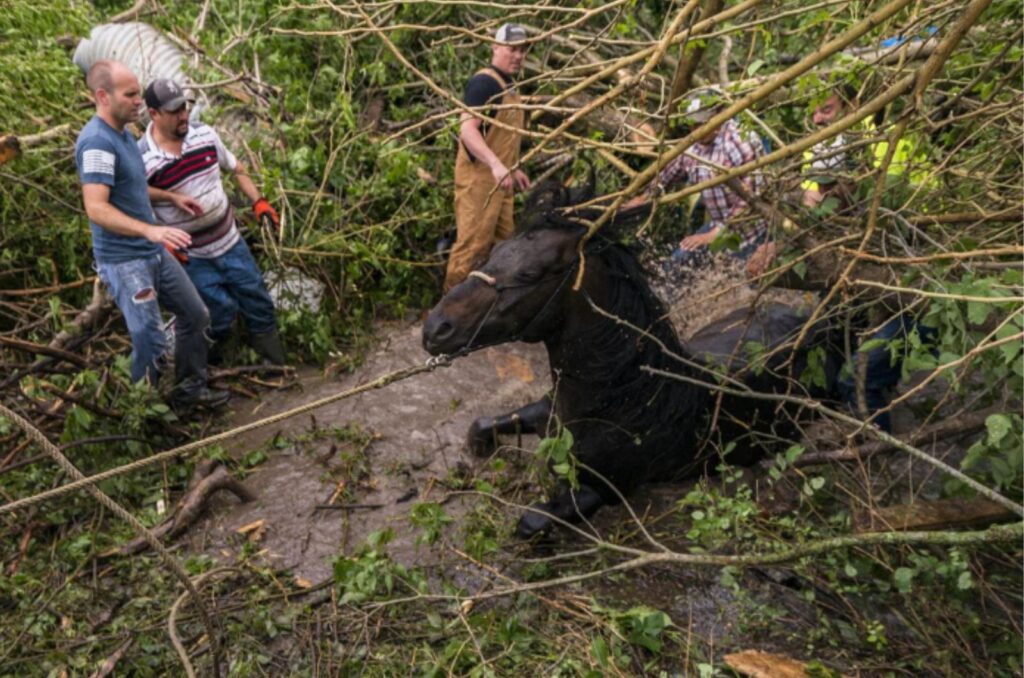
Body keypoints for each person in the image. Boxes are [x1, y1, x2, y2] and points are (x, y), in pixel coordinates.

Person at [75, 60, 227, 410]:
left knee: (196, 315)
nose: (138, 101)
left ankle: (189, 394)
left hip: (150, 250)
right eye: (129, 94)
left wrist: (170, 198)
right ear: (102, 96)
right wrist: (150, 229)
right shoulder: (97, 142)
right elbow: (96, 207)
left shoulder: (124, 134)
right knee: (149, 337)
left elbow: (133, 187)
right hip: (126, 260)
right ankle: (143, 413)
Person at [138, 78, 285, 365]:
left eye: (184, 107)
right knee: (217, 311)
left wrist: (258, 201)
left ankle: (275, 363)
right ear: (154, 114)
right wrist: (161, 238)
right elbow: (134, 202)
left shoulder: (204, 135)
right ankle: (223, 364)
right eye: (174, 111)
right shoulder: (142, 157)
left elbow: (235, 167)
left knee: (257, 298)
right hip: (192, 256)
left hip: (230, 242)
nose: (183, 115)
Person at [624, 87, 766, 272]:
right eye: (693, 124)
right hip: (717, 225)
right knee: (674, 267)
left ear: (719, 114)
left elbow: (751, 199)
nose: (697, 130)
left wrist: (715, 234)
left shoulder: (740, 142)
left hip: (749, 232)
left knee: (740, 283)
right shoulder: (694, 146)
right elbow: (669, 174)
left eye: (702, 124)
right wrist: (645, 198)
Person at [443, 23, 532, 292]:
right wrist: (495, 164)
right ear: (495, 46)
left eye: (522, 51)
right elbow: (468, 131)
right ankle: (447, 314)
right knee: (472, 247)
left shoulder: (511, 86)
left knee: (506, 245)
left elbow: (501, 136)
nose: (517, 56)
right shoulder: (483, 83)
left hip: (501, 181)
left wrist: (512, 169)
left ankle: (489, 314)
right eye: (512, 49)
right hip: (479, 179)